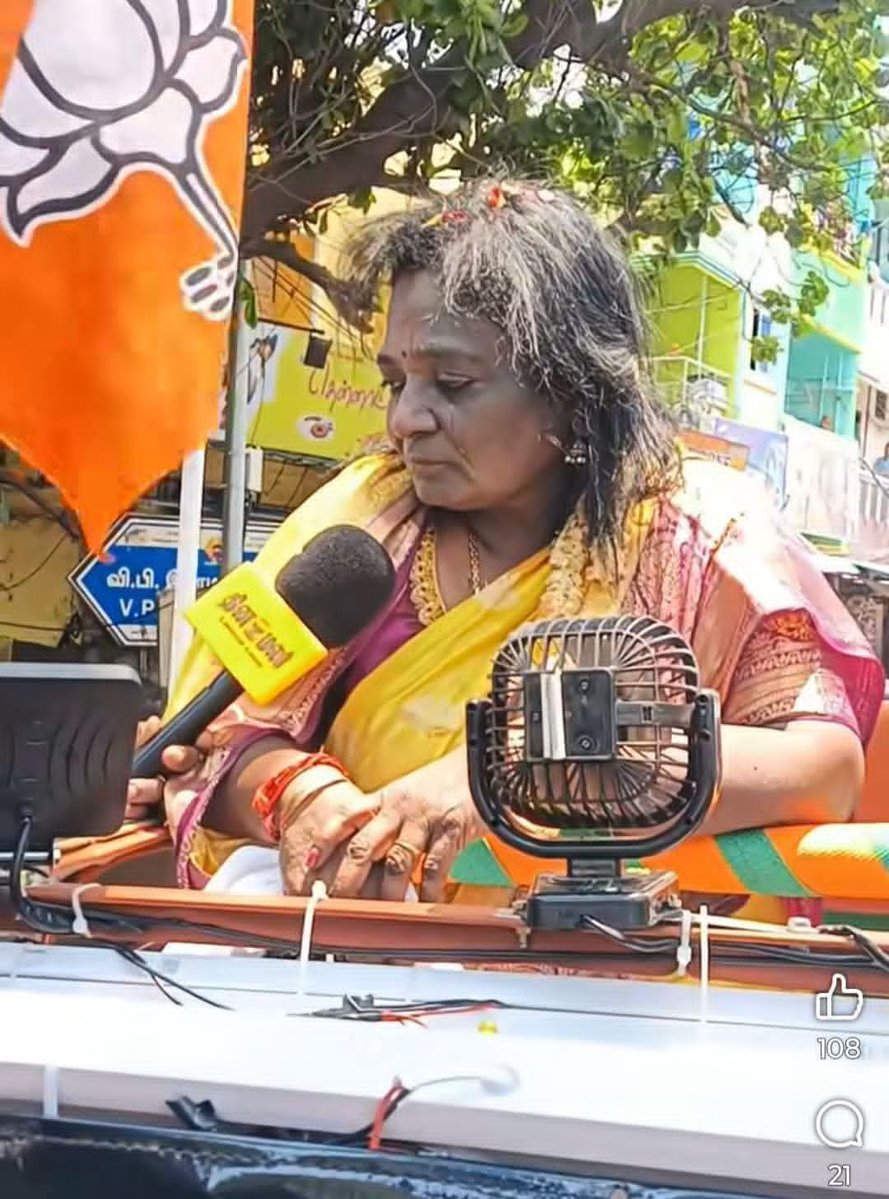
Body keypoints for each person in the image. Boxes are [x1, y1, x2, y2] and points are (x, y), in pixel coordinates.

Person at [128, 179, 883, 906]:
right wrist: (300, 797)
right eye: (396, 382)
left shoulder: (702, 531)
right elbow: (207, 741)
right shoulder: (355, 517)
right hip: (350, 968)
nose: (405, 421)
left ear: (573, 388)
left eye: (451, 384)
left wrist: (510, 775)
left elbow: (821, 767)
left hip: (625, 987)